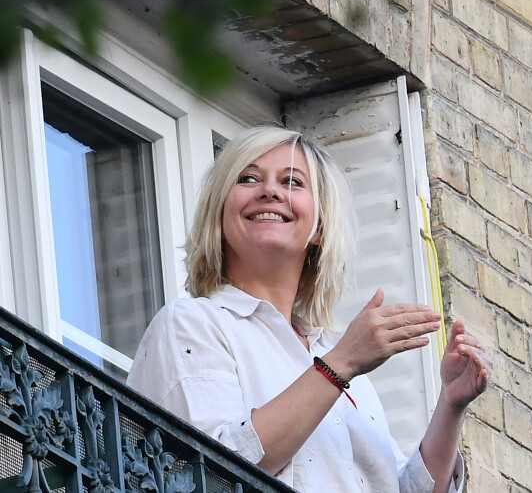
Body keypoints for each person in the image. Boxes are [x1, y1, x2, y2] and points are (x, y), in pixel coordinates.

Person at [127, 125, 492, 493]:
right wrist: (341, 364)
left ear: (319, 226)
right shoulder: (192, 324)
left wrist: (450, 404)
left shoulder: (350, 377)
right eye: (248, 178)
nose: (270, 191)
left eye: (292, 182)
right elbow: (211, 468)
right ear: (219, 217)